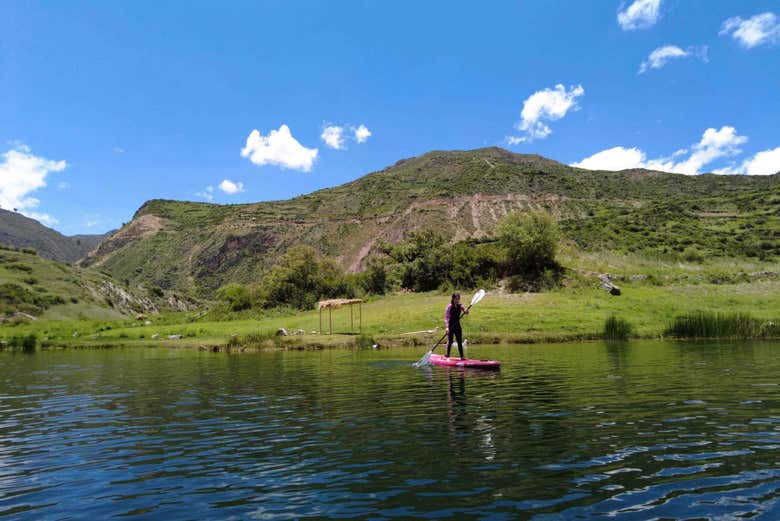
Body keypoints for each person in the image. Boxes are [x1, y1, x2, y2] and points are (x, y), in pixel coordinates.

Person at [445, 292, 468, 359]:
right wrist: (447, 328)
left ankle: (462, 356)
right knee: (450, 341)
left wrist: (466, 311)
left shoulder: (460, 306)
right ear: (453, 299)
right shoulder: (449, 306)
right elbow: (446, 317)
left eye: (458, 299)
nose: (457, 300)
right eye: (456, 299)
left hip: (457, 326)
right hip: (450, 326)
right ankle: (447, 355)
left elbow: (466, 312)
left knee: (459, 341)